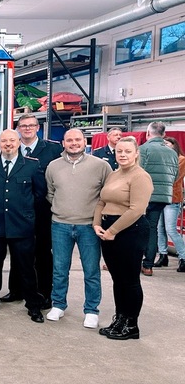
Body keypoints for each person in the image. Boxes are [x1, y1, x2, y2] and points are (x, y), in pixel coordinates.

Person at [0, 129, 46, 323]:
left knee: (26, 267)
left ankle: (33, 305)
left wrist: (26, 212)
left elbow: (40, 194)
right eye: (4, 141)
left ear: (19, 142)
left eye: (12, 141)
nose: (8, 144)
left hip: (21, 224)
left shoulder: (32, 165)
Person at [45, 129, 113, 328]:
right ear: (63, 143)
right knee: (59, 269)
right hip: (60, 224)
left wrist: (96, 217)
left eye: (77, 140)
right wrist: (63, 209)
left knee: (91, 270)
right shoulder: (53, 166)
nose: (73, 143)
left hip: (89, 226)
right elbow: (50, 193)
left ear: (85, 142)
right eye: (69, 140)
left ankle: (91, 310)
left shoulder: (101, 166)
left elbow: (107, 194)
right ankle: (58, 304)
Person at [94, 136, 153, 340]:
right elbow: (101, 201)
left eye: (128, 151)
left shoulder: (140, 176)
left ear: (136, 153)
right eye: (119, 151)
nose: (123, 155)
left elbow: (136, 209)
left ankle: (131, 325)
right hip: (108, 229)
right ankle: (120, 319)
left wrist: (113, 231)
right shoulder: (114, 174)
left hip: (130, 230)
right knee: (117, 279)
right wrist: (97, 224)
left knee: (130, 280)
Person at [2, 114, 62, 307]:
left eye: (31, 125)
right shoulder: (13, 148)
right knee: (17, 250)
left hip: (42, 210)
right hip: (17, 211)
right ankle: (16, 290)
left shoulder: (53, 149)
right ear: (18, 129)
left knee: (43, 252)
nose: (27, 128)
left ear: (38, 128)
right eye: (23, 126)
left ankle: (44, 293)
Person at [139, 121, 178, 276]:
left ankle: (132, 261)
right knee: (152, 228)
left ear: (148, 133)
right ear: (163, 134)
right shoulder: (172, 153)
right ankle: (148, 265)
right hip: (163, 196)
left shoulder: (143, 149)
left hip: (144, 195)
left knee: (135, 228)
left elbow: (138, 172)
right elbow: (175, 175)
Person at [155, 136, 185, 272]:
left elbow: (175, 177)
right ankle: (163, 255)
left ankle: (183, 257)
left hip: (173, 198)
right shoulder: (162, 159)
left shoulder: (181, 159)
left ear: (174, 145)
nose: (165, 146)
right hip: (160, 197)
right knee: (160, 228)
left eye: (167, 143)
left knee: (171, 229)